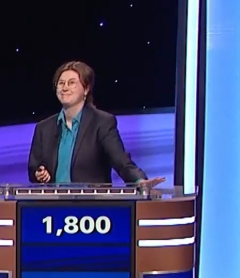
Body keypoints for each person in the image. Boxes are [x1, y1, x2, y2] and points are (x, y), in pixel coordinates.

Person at [27, 60, 163, 187]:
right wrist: (38, 173)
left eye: (72, 83)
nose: (65, 87)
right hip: (52, 207)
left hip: (91, 207)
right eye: (61, 83)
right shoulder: (43, 128)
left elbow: (121, 162)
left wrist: (139, 181)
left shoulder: (102, 123)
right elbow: (34, 168)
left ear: (86, 89)